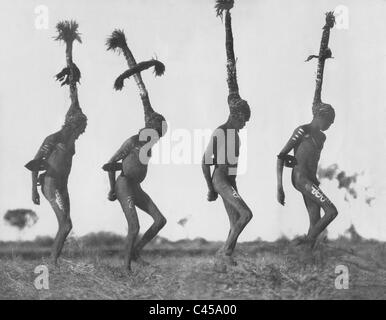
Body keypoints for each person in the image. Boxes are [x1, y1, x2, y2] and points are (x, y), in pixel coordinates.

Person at [103, 30, 167, 272]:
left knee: (160, 220)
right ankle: (126, 268)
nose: (158, 137)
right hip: (123, 185)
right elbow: (109, 164)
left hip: (136, 187)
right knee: (134, 227)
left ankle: (137, 252)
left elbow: (146, 101)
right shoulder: (132, 141)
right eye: (157, 132)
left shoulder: (149, 144)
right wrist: (111, 188)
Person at [26, 21, 87, 265]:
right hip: (51, 184)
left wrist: (72, 74)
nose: (83, 132)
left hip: (63, 185)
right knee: (67, 223)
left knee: (67, 224)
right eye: (82, 128)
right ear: (73, 126)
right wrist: (33, 190)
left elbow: (75, 103)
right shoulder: (54, 139)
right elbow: (35, 163)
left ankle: (54, 260)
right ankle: (51, 262)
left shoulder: (71, 137)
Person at [276, 12, 338, 250]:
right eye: (328, 121)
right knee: (331, 211)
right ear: (319, 117)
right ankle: (305, 244)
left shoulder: (320, 135)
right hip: (301, 180)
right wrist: (279, 188)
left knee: (315, 219)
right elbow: (281, 156)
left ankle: (307, 259)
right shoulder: (302, 130)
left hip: (309, 179)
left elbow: (303, 157)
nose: (330, 126)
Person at [202, 0, 252, 266]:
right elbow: (204, 161)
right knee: (246, 215)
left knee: (235, 221)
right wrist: (211, 188)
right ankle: (224, 253)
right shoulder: (223, 130)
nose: (245, 124)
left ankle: (224, 260)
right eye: (244, 119)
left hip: (229, 180)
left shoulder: (233, 132)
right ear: (236, 115)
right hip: (221, 178)